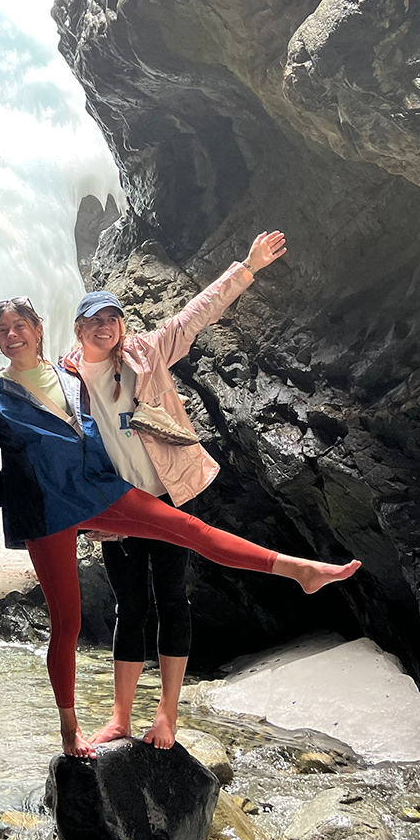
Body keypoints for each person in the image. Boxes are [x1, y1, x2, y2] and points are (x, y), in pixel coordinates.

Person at [0, 280, 360, 758]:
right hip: (48, 513)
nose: (12, 333)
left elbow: (125, 395)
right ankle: (69, 729)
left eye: (21, 324)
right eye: (3, 328)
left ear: (39, 330)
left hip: (101, 489)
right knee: (68, 623)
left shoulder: (70, 375)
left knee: (191, 530)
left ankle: (297, 569)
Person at [63, 231, 286, 751]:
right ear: (78, 329)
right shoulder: (65, 379)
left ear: (122, 325)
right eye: (95, 320)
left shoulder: (146, 352)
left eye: (112, 318)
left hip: (164, 497)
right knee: (129, 606)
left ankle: (167, 715)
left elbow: (194, 315)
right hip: (114, 509)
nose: (105, 327)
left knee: (172, 599)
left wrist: (247, 267)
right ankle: (119, 718)